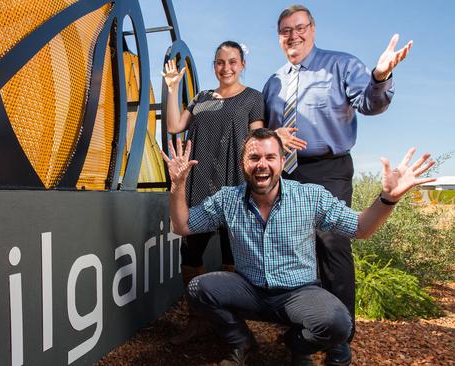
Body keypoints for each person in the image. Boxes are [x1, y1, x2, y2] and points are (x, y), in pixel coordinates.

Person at [161, 128, 434, 366]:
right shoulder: (227, 199)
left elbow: (361, 228)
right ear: (243, 163)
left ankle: (296, 345)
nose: (261, 165)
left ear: (282, 161)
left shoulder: (309, 196)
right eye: (254, 158)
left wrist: (387, 199)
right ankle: (242, 342)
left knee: (338, 324)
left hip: (298, 294)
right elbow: (183, 226)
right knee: (200, 288)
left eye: (270, 157)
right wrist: (178, 184)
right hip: (250, 290)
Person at [262, 5, 413, 364]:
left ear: (312, 30)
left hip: (328, 170)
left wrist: (379, 75)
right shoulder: (273, 82)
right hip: (286, 174)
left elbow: (371, 104)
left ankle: (339, 337)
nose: (293, 35)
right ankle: (305, 330)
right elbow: (266, 133)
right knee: (294, 252)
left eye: (299, 28)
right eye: (285, 30)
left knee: (332, 246)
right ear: (279, 36)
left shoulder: (341, 65)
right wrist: (274, 136)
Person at [162, 40, 270, 344]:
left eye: (233, 61)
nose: (226, 68)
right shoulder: (201, 98)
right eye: (220, 62)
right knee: (190, 254)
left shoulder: (253, 98)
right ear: (214, 66)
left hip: (236, 188)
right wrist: (172, 88)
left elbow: (257, 142)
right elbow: (173, 125)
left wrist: (274, 142)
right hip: (200, 188)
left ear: (242, 65)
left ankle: (231, 328)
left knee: (232, 257)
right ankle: (196, 320)